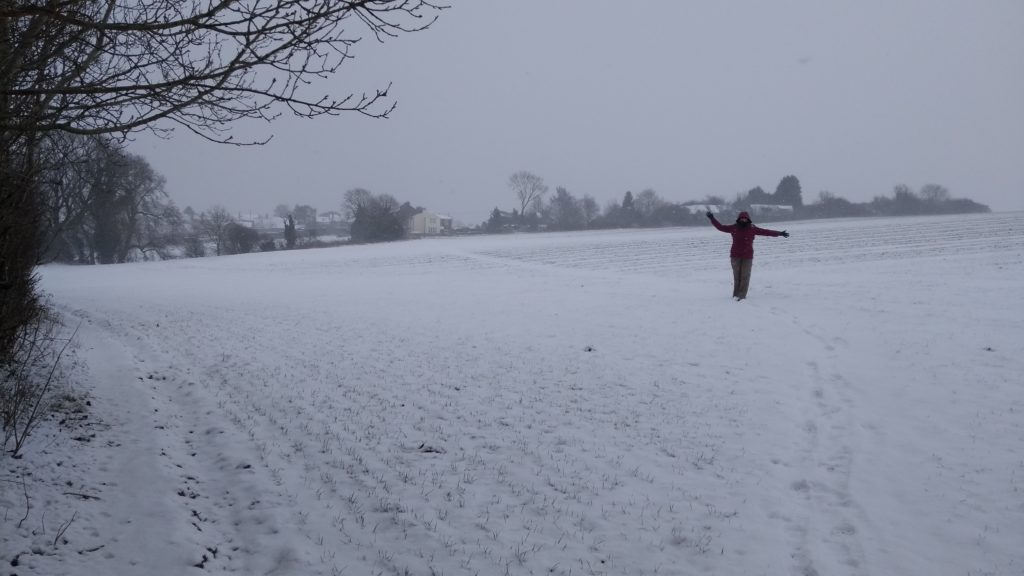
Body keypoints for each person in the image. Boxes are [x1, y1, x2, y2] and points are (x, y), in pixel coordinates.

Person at [706, 210, 789, 300]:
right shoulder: (734, 228)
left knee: (745, 276)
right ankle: (736, 295)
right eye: (742, 218)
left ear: (748, 219)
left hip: (747, 256)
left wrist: (779, 233)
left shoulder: (752, 228)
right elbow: (720, 227)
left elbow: (766, 232)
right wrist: (712, 218)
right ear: (738, 219)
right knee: (737, 277)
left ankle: (741, 296)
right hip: (735, 256)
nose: (743, 220)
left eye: (745, 219)